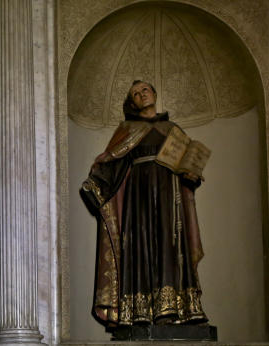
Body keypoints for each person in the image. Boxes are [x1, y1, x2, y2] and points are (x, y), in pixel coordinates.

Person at [80, 80, 208, 331]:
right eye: (136, 94)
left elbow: (188, 166)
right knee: (140, 245)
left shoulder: (173, 130)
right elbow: (113, 160)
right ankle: (140, 310)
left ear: (155, 94)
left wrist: (192, 174)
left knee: (172, 247)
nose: (141, 95)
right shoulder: (128, 129)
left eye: (144, 90)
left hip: (171, 198)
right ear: (133, 102)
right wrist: (95, 185)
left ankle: (176, 309)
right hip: (138, 198)